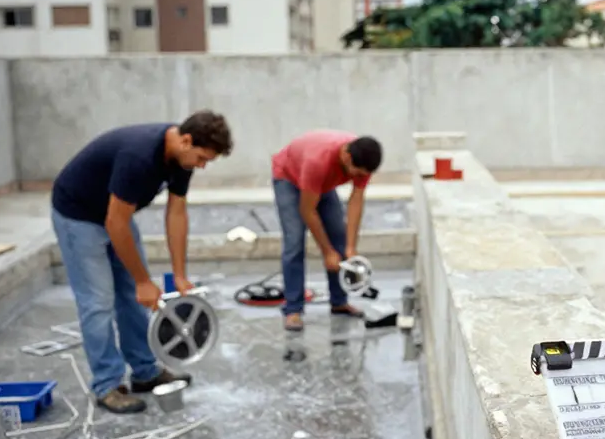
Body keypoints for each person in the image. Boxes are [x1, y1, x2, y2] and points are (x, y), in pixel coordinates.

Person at [50, 110, 233, 414]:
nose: (202, 166)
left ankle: (145, 372)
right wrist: (143, 281)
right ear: (186, 140)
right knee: (98, 302)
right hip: (78, 215)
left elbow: (176, 214)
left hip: (114, 215)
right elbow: (115, 221)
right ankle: (107, 385)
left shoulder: (181, 158)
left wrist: (179, 274)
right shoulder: (139, 157)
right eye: (202, 158)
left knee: (136, 299)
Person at [270, 130, 382, 331]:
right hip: (289, 177)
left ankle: (339, 302)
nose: (357, 178)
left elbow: (356, 201)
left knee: (338, 236)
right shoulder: (318, 162)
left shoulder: (363, 158)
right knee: (294, 242)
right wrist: (326, 252)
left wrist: (350, 248)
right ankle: (293, 310)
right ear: (346, 157)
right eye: (356, 173)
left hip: (322, 182)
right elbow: (307, 210)